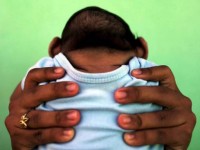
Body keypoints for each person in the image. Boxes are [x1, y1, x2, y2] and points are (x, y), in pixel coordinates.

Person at [5, 7, 196, 150]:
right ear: (142, 49)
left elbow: (16, 105)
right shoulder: (149, 71)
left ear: (56, 48)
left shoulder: (46, 69)